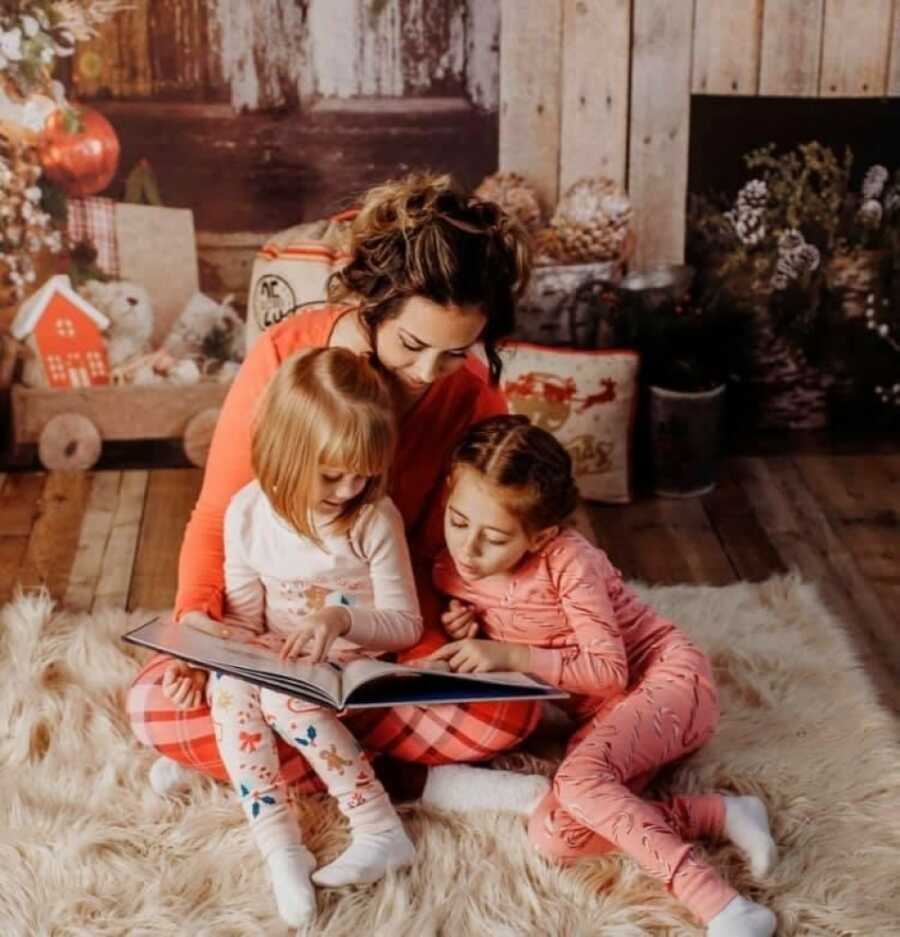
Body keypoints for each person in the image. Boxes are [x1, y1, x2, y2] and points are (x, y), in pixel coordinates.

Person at [127, 172, 547, 810]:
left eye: (456, 352)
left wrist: (463, 606)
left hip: (389, 631)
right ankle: (408, 778)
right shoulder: (286, 357)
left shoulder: (474, 395)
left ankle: (274, 757)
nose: (426, 373)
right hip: (271, 629)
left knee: (509, 717)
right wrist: (197, 634)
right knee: (155, 706)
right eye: (411, 343)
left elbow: (447, 552)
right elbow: (219, 517)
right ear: (373, 304)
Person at [426, 415, 778, 937]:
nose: (468, 549)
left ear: (541, 535)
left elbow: (610, 673)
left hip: (667, 682)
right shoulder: (451, 573)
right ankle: (713, 813)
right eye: (457, 522)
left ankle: (725, 907)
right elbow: (513, 617)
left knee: (578, 781)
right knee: (557, 835)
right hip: (600, 716)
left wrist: (510, 654)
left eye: (494, 537)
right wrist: (467, 624)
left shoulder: (569, 561)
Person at [171, 347, 424, 926]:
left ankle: (379, 827)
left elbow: (404, 624)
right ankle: (278, 843)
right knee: (232, 691)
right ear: (284, 453)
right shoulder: (246, 515)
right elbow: (245, 620)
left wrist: (340, 621)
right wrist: (206, 645)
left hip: (352, 667)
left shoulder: (372, 519)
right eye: (333, 474)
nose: (348, 488)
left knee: (280, 697)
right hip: (281, 659)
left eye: (364, 473)